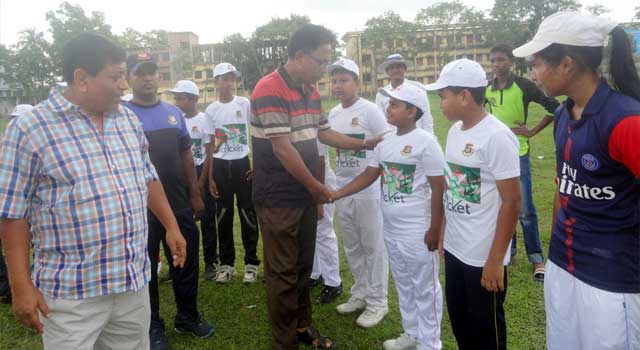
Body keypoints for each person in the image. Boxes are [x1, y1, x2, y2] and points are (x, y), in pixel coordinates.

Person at [0, 33, 187, 350]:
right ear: (81, 78)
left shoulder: (126, 119)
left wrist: (171, 226)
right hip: (71, 297)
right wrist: (20, 286)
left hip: (131, 285)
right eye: (115, 77)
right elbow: (12, 214)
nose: (124, 85)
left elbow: (147, 177)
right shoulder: (30, 129)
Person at [513, 11, 640, 350]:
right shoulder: (561, 115)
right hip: (563, 266)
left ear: (566, 64)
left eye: (537, 63)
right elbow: (563, 185)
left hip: (611, 279)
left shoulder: (626, 121)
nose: (533, 73)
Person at [251, 24, 381, 350]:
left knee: (302, 267)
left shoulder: (309, 90)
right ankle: (285, 342)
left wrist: (364, 143)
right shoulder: (270, 88)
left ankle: (302, 327)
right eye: (321, 61)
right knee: (282, 274)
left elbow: (323, 133)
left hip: (304, 192)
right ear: (299, 56)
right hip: (278, 197)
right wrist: (318, 187)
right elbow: (283, 148)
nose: (325, 69)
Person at [333, 83, 446, 350]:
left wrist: (435, 229)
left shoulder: (426, 142)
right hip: (392, 229)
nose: (388, 107)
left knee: (425, 288)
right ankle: (411, 333)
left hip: (418, 230)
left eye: (395, 104)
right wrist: (337, 193)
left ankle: (430, 343)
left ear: (412, 111)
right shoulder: (385, 142)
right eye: (389, 103)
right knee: (404, 284)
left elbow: (439, 187)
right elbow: (368, 176)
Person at [425, 58, 521, 350]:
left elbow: (512, 201)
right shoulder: (455, 132)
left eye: (443, 96)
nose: (440, 103)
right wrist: (442, 231)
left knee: (486, 331)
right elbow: (453, 187)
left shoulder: (497, 136)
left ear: (464, 96)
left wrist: (495, 261)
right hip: (455, 248)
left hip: (482, 255)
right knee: (460, 321)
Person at [124, 53, 213, 350]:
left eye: (152, 72)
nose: (148, 78)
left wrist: (195, 193)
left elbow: (187, 155)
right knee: (146, 267)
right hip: (139, 207)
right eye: (140, 73)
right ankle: (152, 326)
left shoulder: (173, 114)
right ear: (129, 78)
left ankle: (188, 316)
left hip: (178, 203)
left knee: (185, 261)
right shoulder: (121, 114)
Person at [486, 44, 560, 280]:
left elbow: (555, 107)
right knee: (501, 204)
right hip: (494, 155)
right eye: (493, 61)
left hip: (519, 152)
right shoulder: (487, 89)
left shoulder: (524, 85)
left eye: (501, 60)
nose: (497, 65)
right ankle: (511, 250)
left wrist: (532, 131)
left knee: (525, 208)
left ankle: (537, 258)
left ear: (511, 62)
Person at [326, 58, 390, 328]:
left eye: (344, 80)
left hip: (369, 189)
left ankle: (378, 302)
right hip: (343, 188)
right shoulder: (332, 114)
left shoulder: (371, 110)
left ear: (357, 82)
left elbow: (387, 143)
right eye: (335, 80)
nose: (338, 86)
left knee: (373, 246)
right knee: (352, 245)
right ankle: (360, 293)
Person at [205, 62, 260, 284]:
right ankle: (226, 265)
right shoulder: (211, 110)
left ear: (235, 82)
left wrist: (257, 164)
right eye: (223, 78)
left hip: (242, 166)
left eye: (231, 78)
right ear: (216, 82)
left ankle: (251, 263)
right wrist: (209, 177)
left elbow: (255, 132)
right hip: (220, 168)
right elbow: (211, 146)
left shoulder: (244, 103)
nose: (227, 82)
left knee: (248, 214)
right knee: (223, 216)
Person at [170, 80, 219, 281]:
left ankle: (210, 262)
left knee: (206, 221)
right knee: (181, 221)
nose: (177, 102)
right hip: (181, 174)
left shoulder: (204, 119)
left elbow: (209, 151)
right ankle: (182, 263)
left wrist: (203, 181)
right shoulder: (175, 119)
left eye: (181, 98)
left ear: (194, 99)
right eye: (176, 98)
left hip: (200, 170)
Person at [0, 103, 34, 304]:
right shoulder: (7, 142)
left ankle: (31, 287)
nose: (14, 123)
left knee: (36, 247)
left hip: (28, 209)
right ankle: (7, 289)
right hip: (8, 206)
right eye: (13, 119)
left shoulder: (34, 143)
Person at [309, 140, 342, 304]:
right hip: (308, 182)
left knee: (323, 232)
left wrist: (319, 201)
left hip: (321, 183)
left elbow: (320, 162)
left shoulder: (313, 123)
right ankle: (314, 274)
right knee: (311, 232)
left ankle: (333, 282)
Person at [375, 53, 435, 134]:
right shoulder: (381, 95)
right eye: (392, 68)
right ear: (387, 72)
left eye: (399, 67)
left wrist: (430, 137)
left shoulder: (418, 88)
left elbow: (426, 117)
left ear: (405, 69)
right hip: (394, 137)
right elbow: (381, 121)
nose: (396, 70)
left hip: (417, 135)